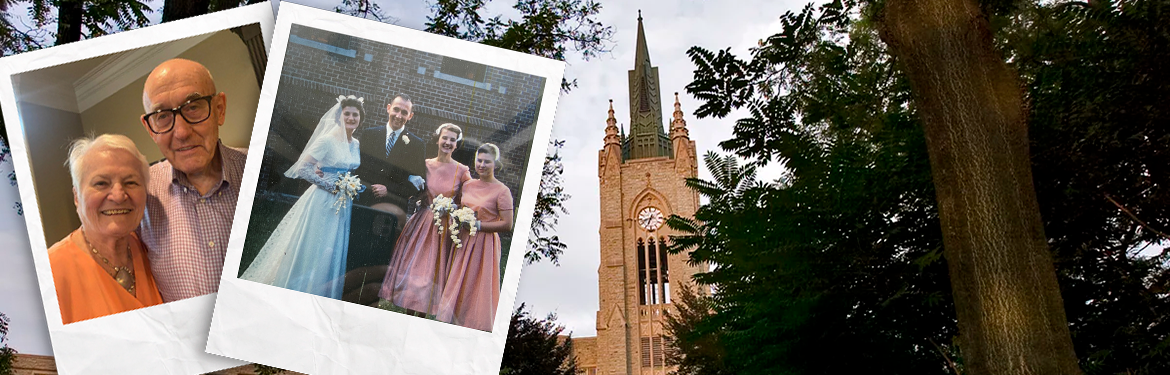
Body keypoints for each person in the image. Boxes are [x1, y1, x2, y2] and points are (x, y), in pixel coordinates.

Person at [138, 58, 247, 302]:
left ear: (219, 108)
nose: (182, 132)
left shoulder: (263, 172)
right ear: (150, 128)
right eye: (162, 116)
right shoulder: (138, 194)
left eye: (193, 107)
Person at [240, 96, 365, 299]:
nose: (351, 118)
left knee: (331, 247)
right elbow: (303, 168)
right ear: (338, 116)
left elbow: (346, 169)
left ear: (360, 118)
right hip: (322, 199)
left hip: (342, 203)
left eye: (355, 114)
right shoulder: (327, 140)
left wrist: (347, 185)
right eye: (347, 113)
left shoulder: (355, 143)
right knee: (315, 246)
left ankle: (319, 292)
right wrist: (330, 185)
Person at [49, 134, 164, 324]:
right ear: (77, 196)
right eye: (101, 183)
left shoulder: (150, 249)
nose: (118, 196)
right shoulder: (50, 273)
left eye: (131, 182)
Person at [378, 123, 471, 316]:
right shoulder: (425, 164)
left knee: (432, 275)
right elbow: (411, 189)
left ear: (456, 144)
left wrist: (454, 209)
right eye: (445, 138)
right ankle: (407, 314)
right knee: (415, 272)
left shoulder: (462, 171)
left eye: (452, 140)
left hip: (444, 227)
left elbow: (468, 200)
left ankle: (422, 317)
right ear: (437, 139)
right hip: (422, 222)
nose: (447, 142)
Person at [437, 143, 514, 331]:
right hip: (463, 239)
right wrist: (452, 210)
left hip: (484, 243)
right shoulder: (469, 185)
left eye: (487, 161)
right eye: (479, 160)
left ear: (495, 164)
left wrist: (479, 225)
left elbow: (507, 224)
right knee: (458, 278)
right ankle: (452, 320)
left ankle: (472, 322)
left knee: (476, 281)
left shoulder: (502, 191)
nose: (482, 165)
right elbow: (463, 207)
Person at [354, 93, 427, 228]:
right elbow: (358, 169)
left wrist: (389, 190)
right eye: (396, 109)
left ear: (410, 116)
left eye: (404, 112)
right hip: (364, 203)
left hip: (393, 211)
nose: (399, 116)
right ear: (388, 108)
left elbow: (417, 185)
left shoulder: (417, 145)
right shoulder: (369, 134)